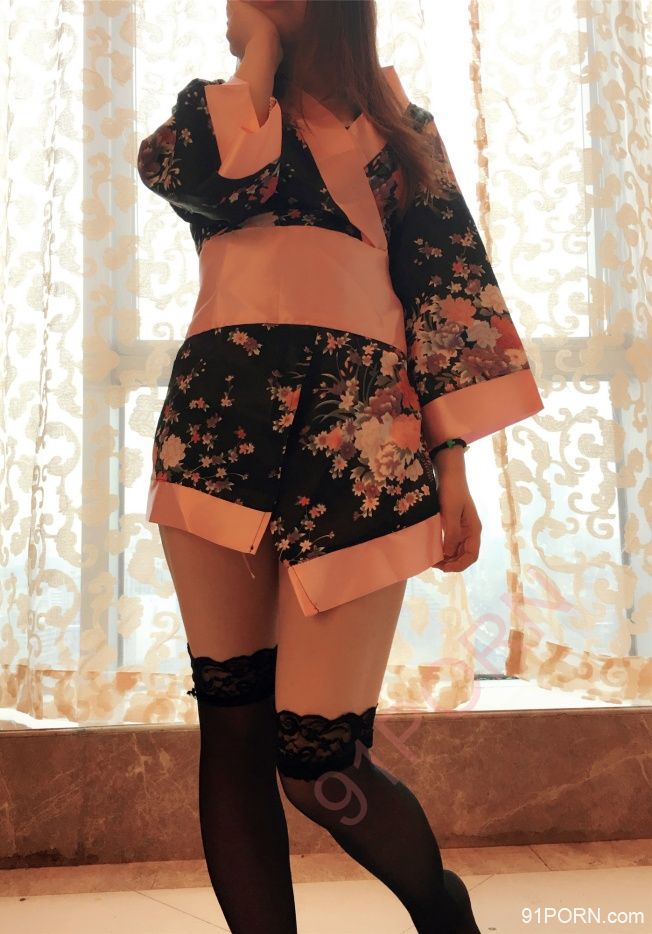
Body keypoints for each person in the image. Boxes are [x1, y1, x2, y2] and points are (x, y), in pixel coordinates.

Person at [137, 1, 544, 931]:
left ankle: (444, 912)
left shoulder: (403, 136)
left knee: (317, 761)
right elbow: (202, 179)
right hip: (216, 434)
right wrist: (258, 55)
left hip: (365, 447)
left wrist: (453, 464)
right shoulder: (218, 114)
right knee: (232, 729)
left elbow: (446, 302)